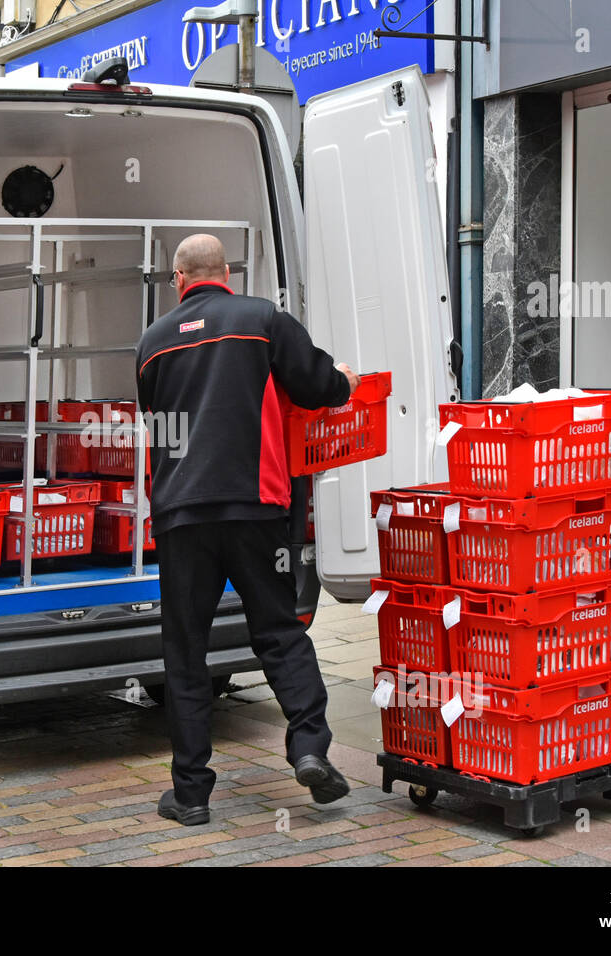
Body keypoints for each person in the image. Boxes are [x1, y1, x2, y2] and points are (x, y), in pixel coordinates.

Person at [136, 233, 360, 826]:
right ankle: (308, 745)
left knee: (185, 652)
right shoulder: (262, 318)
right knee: (278, 631)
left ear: (177, 278)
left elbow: (155, 423)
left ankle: (190, 797)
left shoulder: (152, 343)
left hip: (182, 515)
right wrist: (345, 380)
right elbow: (316, 386)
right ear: (226, 273)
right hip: (255, 507)